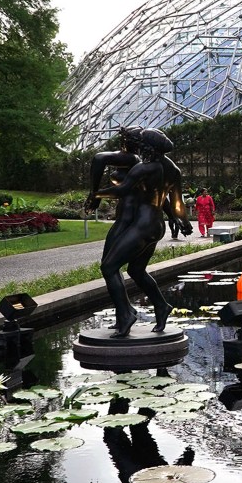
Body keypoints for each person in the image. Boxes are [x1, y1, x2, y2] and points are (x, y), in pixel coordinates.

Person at [90, 128, 180, 337]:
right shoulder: (168, 167)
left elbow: (102, 162)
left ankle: (126, 315)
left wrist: (95, 194)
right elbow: (168, 198)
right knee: (135, 271)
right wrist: (177, 219)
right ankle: (159, 306)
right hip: (151, 224)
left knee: (109, 267)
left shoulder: (142, 166)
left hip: (139, 224)